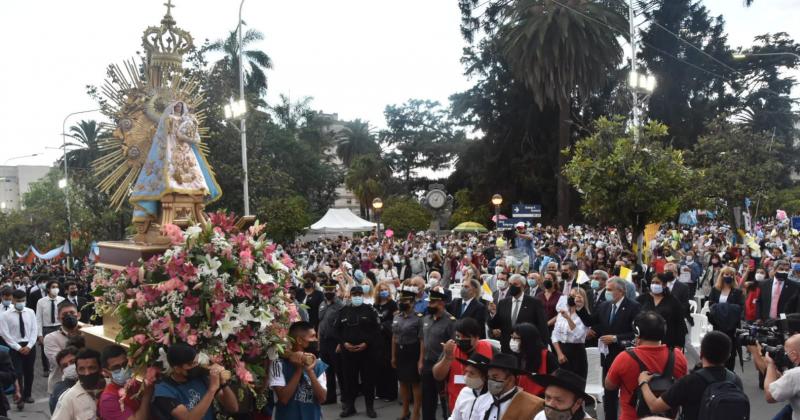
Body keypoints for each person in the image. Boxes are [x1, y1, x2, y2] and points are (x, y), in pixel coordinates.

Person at [638, 331, 745, 420]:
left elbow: (655, 406)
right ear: (728, 356)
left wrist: (643, 382)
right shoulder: (735, 381)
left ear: (701, 353)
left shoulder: (689, 381)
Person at [577, 277, 641, 420]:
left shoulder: (634, 307)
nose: (607, 292)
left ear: (621, 291)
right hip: (607, 356)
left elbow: (636, 333)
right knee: (609, 392)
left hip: (625, 356)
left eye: (610, 289)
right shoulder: (604, 306)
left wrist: (615, 338)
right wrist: (580, 308)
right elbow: (590, 321)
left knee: (628, 393)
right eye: (606, 289)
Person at [605, 311, 688, 420]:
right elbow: (683, 386)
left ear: (638, 333)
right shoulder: (678, 356)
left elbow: (609, 385)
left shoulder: (624, 358)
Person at [152, 343, 238, 420]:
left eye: (196, 362)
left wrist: (223, 383)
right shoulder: (164, 391)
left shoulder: (200, 376)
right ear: (177, 368)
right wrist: (212, 390)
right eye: (191, 364)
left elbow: (233, 408)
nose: (196, 366)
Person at [336, 285, 380, 418]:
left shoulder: (370, 310)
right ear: (350, 295)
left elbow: (376, 330)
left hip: (366, 352)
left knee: (368, 380)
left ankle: (370, 407)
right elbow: (337, 330)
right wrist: (344, 343)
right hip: (348, 352)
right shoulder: (343, 311)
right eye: (354, 294)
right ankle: (350, 407)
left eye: (359, 294)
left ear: (362, 295)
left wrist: (366, 343)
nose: (357, 297)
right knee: (350, 381)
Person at [270, 321, 328, 420]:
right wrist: (298, 370)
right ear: (300, 340)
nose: (316, 340)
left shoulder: (318, 363)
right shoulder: (278, 363)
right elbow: (283, 398)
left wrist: (310, 371)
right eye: (312, 336)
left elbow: (322, 398)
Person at [433, 318, 494, 411]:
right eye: (458, 336)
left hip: (483, 407)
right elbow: (438, 376)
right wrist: (447, 357)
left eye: (465, 336)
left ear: (476, 337)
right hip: (456, 405)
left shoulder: (490, 349)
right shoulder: (451, 349)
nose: (461, 339)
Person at [469, 353, 544, 419]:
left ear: (510, 379)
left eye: (495, 377)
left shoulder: (528, 405)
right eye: (489, 377)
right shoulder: (481, 400)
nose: (490, 381)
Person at [489, 274, 550, 352]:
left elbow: (543, 327)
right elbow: (494, 324)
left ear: (523, 286)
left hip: (526, 348)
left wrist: (544, 348)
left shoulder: (534, 303)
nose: (512, 286)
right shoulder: (503, 303)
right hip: (506, 347)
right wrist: (493, 313)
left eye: (515, 284)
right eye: (510, 284)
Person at [421, 287, 455, 420]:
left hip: (442, 366)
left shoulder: (451, 322)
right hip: (427, 364)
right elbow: (423, 340)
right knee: (427, 400)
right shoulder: (426, 319)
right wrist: (421, 360)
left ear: (441, 303)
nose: (429, 305)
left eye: (432, 303)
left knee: (445, 400)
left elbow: (453, 346)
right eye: (429, 302)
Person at [0, 289, 36, 407]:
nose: (21, 303)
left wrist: (29, 345)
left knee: (29, 371)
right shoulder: (5, 315)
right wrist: (17, 347)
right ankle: (19, 396)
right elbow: (5, 334)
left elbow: (34, 329)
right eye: (18, 301)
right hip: (15, 346)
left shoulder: (30, 312)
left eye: (23, 300)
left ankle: (28, 394)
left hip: (29, 345)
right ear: (13, 300)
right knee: (17, 372)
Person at [393, 285, 425, 420]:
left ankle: (416, 412)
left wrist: (421, 360)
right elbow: (394, 337)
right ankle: (405, 411)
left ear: (412, 303)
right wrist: (393, 356)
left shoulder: (419, 318)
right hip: (400, 352)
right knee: (403, 382)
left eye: (405, 301)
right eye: (400, 300)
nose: (401, 303)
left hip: (413, 351)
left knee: (415, 383)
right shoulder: (397, 316)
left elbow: (422, 340)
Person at [98, 344, 154, 420]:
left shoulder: (133, 384)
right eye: (116, 367)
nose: (124, 370)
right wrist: (147, 395)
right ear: (106, 372)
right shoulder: (108, 400)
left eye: (125, 364)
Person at [707, 266, 745, 370]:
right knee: (717, 349)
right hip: (717, 324)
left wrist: (723, 308)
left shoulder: (737, 292)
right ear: (722, 275)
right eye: (726, 274)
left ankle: (729, 370)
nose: (729, 276)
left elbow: (740, 308)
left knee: (730, 351)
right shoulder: (715, 290)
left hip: (731, 326)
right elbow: (711, 304)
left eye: (731, 275)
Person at [636, 273, 687, 349]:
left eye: (657, 283)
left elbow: (680, 324)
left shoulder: (673, 301)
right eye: (652, 282)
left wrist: (679, 346)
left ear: (664, 285)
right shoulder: (642, 299)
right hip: (645, 342)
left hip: (667, 343)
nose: (654, 285)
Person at [52, 348, 105, 420]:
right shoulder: (69, 398)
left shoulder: (111, 387)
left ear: (100, 369)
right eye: (82, 369)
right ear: (77, 371)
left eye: (91, 368)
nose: (87, 373)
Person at [511, 323, 558, 396]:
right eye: (512, 337)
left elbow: (555, 382)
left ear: (526, 339)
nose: (512, 341)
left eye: (515, 338)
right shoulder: (518, 355)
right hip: (521, 396)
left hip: (541, 398)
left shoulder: (547, 356)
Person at [44, 301, 81, 394]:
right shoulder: (51, 338)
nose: (69, 316)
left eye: (72, 313)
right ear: (58, 318)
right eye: (64, 314)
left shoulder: (88, 332)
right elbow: (59, 362)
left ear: (78, 315)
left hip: (85, 385)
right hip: (60, 388)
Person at [552, 288, 589, 379]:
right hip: (562, 350)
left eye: (574, 296)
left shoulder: (585, 315)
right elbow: (554, 335)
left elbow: (579, 335)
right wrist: (559, 353)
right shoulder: (562, 313)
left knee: (576, 383)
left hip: (577, 352)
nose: (571, 298)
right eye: (570, 296)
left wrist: (569, 319)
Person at [317, 278, 344, 405]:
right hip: (324, 342)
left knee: (340, 371)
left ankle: (345, 398)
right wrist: (318, 341)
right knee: (327, 371)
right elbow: (320, 323)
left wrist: (341, 343)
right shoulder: (322, 304)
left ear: (335, 290)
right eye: (326, 289)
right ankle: (330, 397)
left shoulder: (340, 305)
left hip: (335, 342)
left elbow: (344, 327)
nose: (328, 291)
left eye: (331, 289)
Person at [373, 280, 399, 402]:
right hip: (378, 339)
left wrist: (385, 326)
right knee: (378, 366)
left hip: (389, 339)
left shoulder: (393, 304)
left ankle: (390, 393)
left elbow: (395, 321)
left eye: (385, 290)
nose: (383, 292)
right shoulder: (375, 305)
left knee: (389, 366)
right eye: (381, 290)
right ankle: (380, 391)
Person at [449, 353, 490, 420]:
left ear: (484, 377)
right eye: (466, 371)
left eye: (472, 373)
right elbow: (455, 418)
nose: (467, 375)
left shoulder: (492, 397)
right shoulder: (464, 392)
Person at [36, 279, 63, 377]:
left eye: (57, 287)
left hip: (59, 327)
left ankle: (60, 366)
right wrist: (39, 334)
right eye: (53, 287)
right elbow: (38, 318)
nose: (55, 289)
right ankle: (46, 368)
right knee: (45, 349)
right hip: (46, 328)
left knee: (60, 347)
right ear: (48, 289)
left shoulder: (62, 300)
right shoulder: (41, 302)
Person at [49, 347, 77, 414]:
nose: (70, 366)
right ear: (62, 371)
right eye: (65, 366)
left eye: (72, 362)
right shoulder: (59, 389)